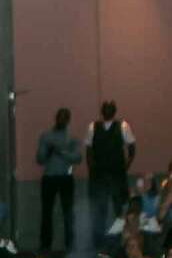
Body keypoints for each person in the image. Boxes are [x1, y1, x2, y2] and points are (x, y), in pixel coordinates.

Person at [86, 100, 136, 244]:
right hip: (99, 175)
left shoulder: (123, 126)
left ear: (114, 112)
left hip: (116, 174)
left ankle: (122, 241)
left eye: (110, 109)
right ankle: (98, 243)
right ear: (102, 111)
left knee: (120, 209)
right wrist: (92, 170)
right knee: (98, 210)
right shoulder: (93, 127)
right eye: (105, 109)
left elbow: (132, 148)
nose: (107, 111)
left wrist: (125, 167)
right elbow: (88, 150)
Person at [37, 108, 82, 250]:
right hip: (49, 178)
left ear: (68, 120)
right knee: (46, 213)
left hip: (65, 178)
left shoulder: (72, 138)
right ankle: (45, 246)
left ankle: (70, 245)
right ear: (56, 118)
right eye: (59, 117)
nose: (61, 120)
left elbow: (78, 158)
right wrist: (48, 152)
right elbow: (39, 159)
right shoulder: (46, 136)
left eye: (64, 118)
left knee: (68, 213)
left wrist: (61, 152)